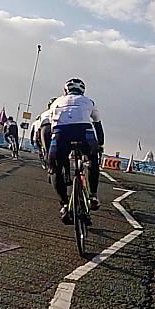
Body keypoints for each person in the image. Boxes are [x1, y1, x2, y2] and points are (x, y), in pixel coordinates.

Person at [47, 77, 104, 223]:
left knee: (55, 169)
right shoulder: (89, 101)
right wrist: (100, 146)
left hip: (61, 134)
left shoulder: (56, 102)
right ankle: (93, 196)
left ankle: (64, 205)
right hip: (84, 132)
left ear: (65, 90)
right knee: (93, 160)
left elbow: (50, 126)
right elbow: (97, 124)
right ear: (82, 91)